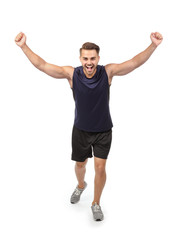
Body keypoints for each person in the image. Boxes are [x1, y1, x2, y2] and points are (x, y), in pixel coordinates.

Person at [15, 31, 163, 221]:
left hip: (103, 130)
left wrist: (153, 45)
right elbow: (42, 65)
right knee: (80, 164)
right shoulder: (71, 74)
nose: (89, 62)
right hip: (81, 130)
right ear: (80, 58)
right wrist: (24, 46)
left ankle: (95, 203)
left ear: (98, 58)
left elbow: (134, 63)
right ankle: (80, 185)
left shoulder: (107, 72)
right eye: (85, 58)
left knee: (100, 168)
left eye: (93, 58)